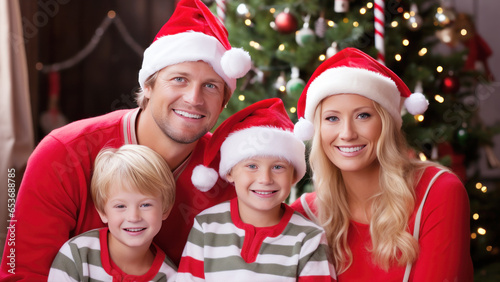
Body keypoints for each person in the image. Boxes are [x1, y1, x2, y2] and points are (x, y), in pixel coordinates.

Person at [0, 0, 251, 280]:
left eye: (211, 86)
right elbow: (21, 272)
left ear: (224, 101)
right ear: (148, 84)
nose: (193, 99)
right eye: (179, 79)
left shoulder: (232, 174)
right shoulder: (63, 154)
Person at [291, 48, 473, 281]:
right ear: (317, 130)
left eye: (363, 115)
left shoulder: (439, 192)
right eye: (332, 118)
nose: (346, 134)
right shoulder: (304, 214)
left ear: (387, 124)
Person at [177, 98, 337, 281]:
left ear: (294, 176)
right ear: (230, 172)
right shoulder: (206, 227)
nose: (265, 179)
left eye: (278, 167)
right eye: (252, 166)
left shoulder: (309, 239)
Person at [48, 145, 177, 281]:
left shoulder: (171, 277)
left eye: (145, 204)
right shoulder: (77, 254)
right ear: (103, 212)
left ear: (166, 208)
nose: (133, 217)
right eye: (120, 206)